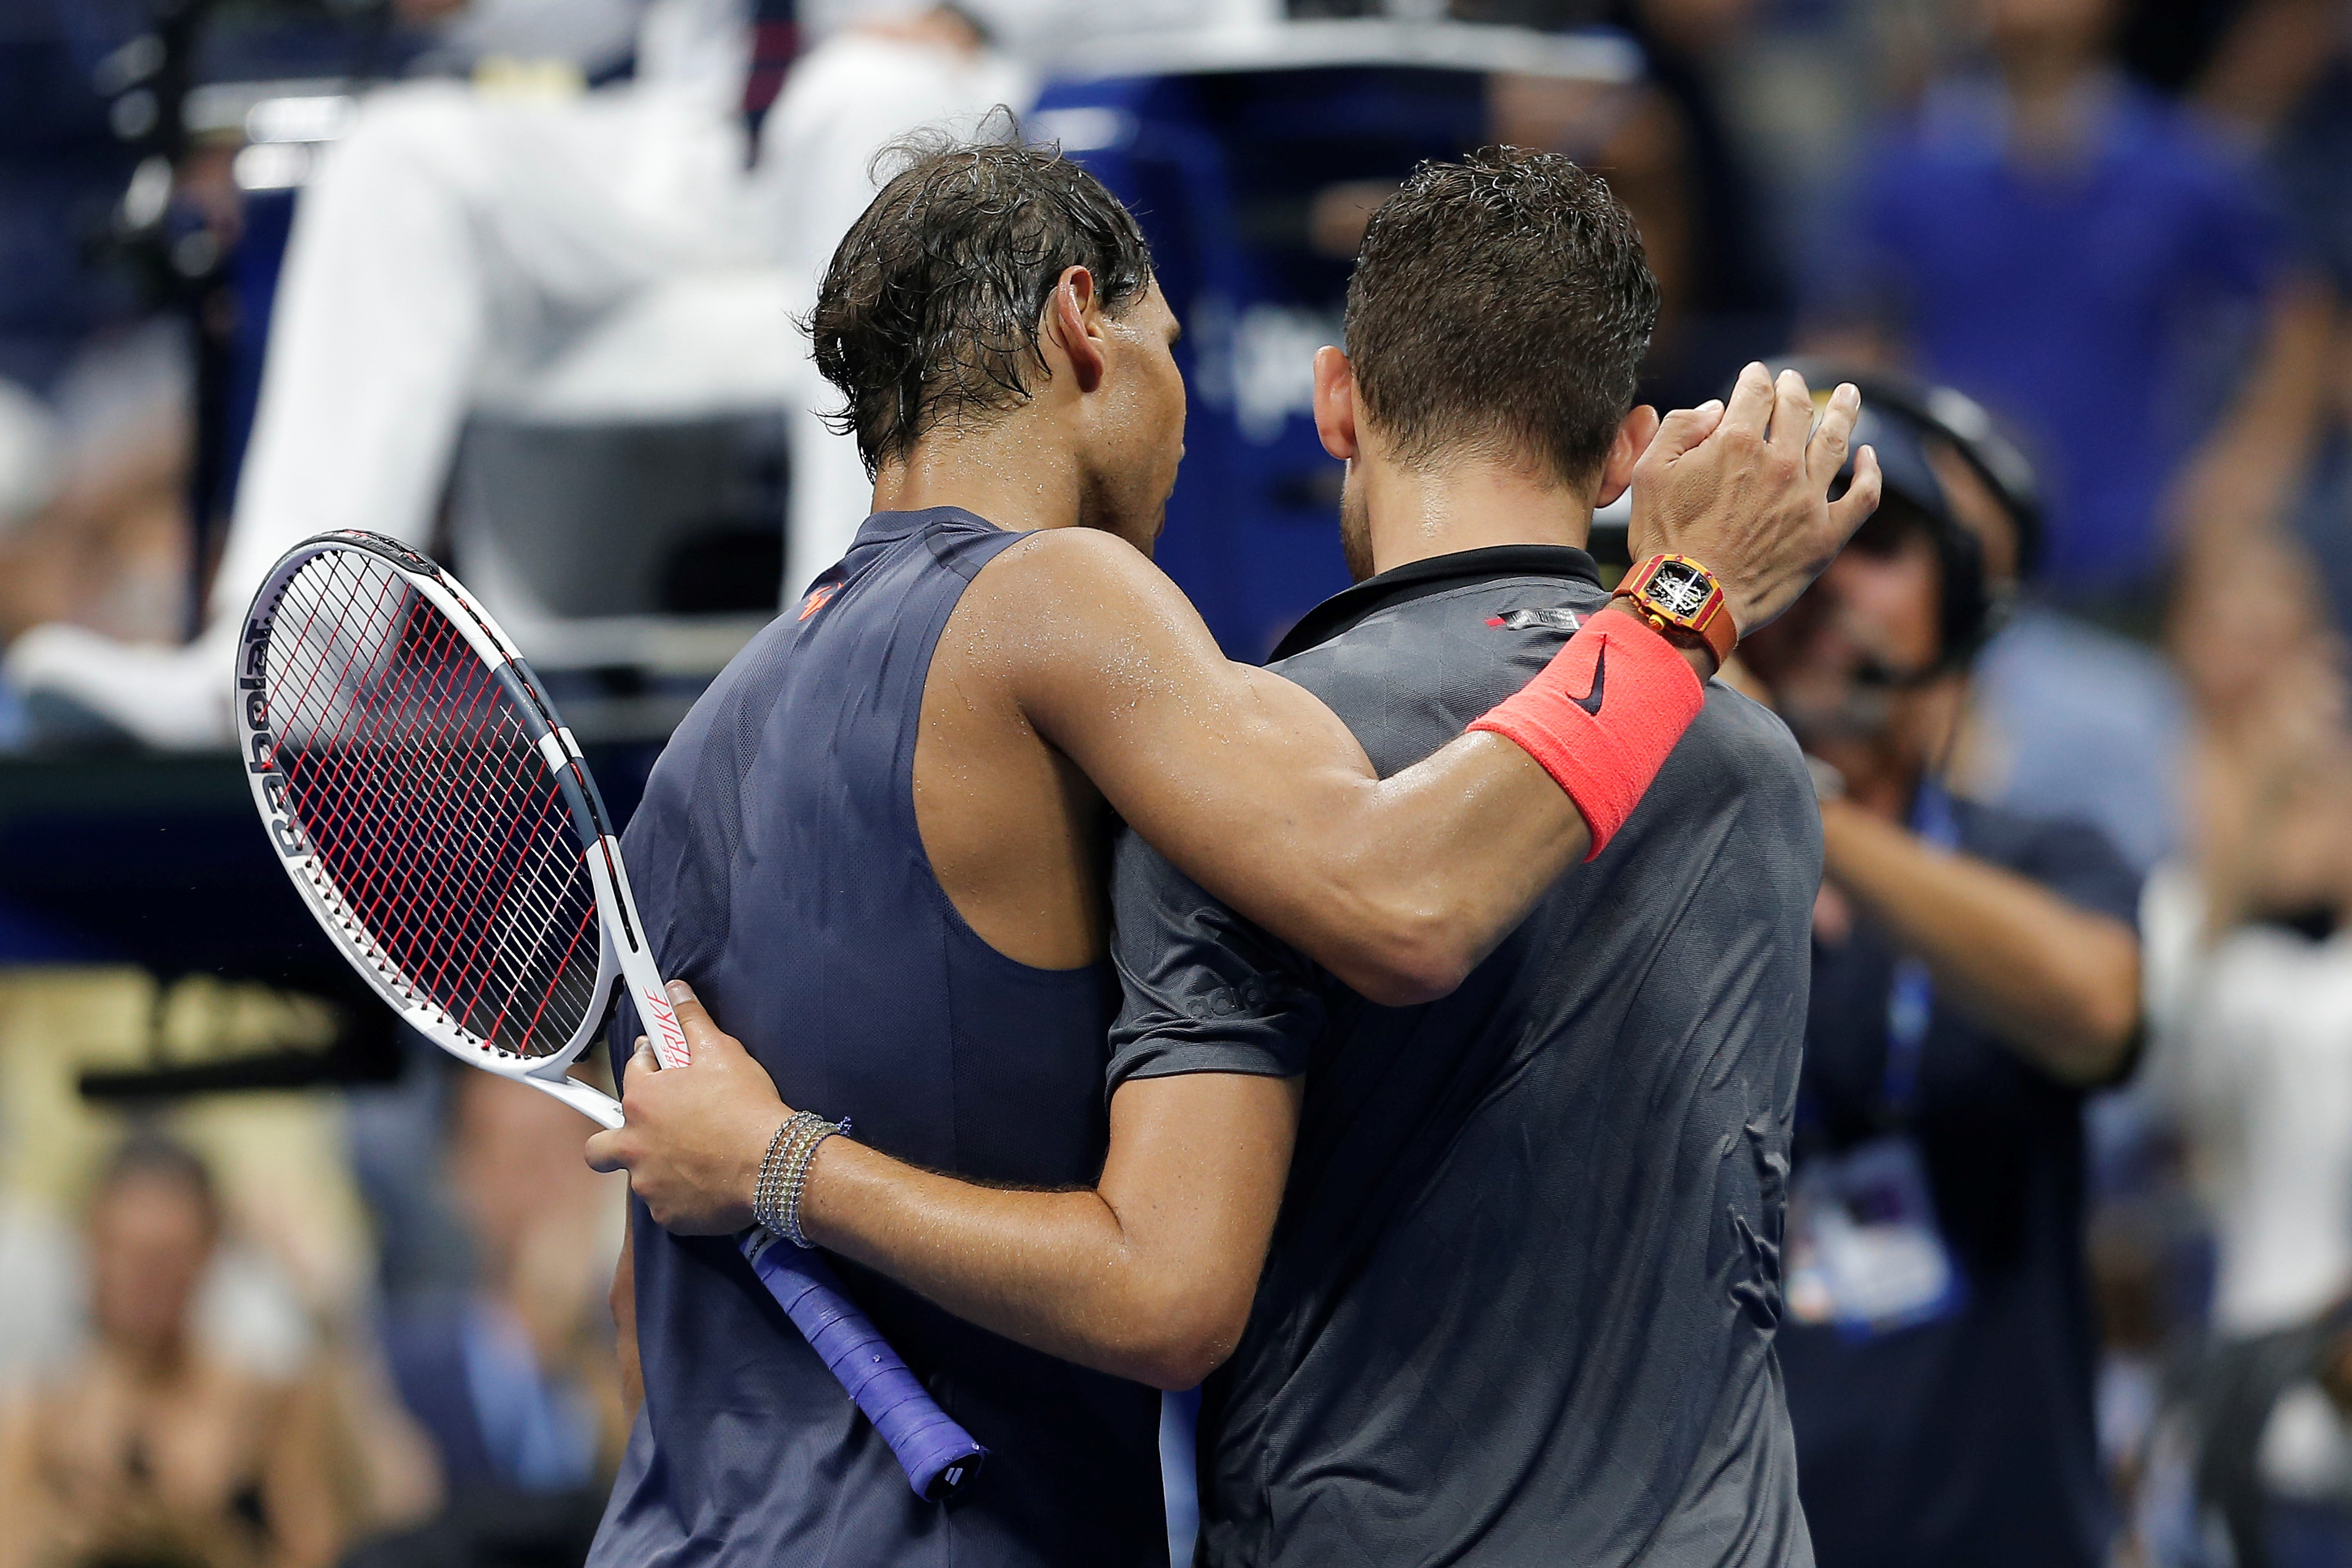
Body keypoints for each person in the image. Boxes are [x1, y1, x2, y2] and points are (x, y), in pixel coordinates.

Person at [580, 137, 1878, 1564]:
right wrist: (1680, 607)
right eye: (1171, 347)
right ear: (1083, 324)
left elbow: (662, 1290)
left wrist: (768, 1167)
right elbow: (1403, 902)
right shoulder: (1054, 595)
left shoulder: (709, 736)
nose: (1190, 424)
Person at [1, 0, 1027, 748]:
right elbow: (566, 26)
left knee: (860, 94)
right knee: (404, 152)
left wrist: (974, 15)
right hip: (705, 137)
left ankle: (844, 674)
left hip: (953, 109)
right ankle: (289, 666)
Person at [1735, 384, 2146, 1568]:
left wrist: (1792, 792)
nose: (1832, 585)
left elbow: (2096, 1012)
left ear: (1958, 613)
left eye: (1877, 551)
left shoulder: (2041, 856)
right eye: (1803, 541)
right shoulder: (1652, 876)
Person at [1805, 0, 2321, 611]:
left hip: (2126, 562)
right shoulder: (1908, 169)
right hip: (1950, 556)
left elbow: (2302, 314)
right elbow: (1842, 342)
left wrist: (2246, 472)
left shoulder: (2181, 169)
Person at [0, 1136, 343, 1568]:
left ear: (208, 1253)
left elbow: (316, 1549)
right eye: (124, 1253)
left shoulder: (265, 1408)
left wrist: (209, 1544)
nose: (144, 1283)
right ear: (89, 1247)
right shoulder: (37, 1418)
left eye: (166, 1259)